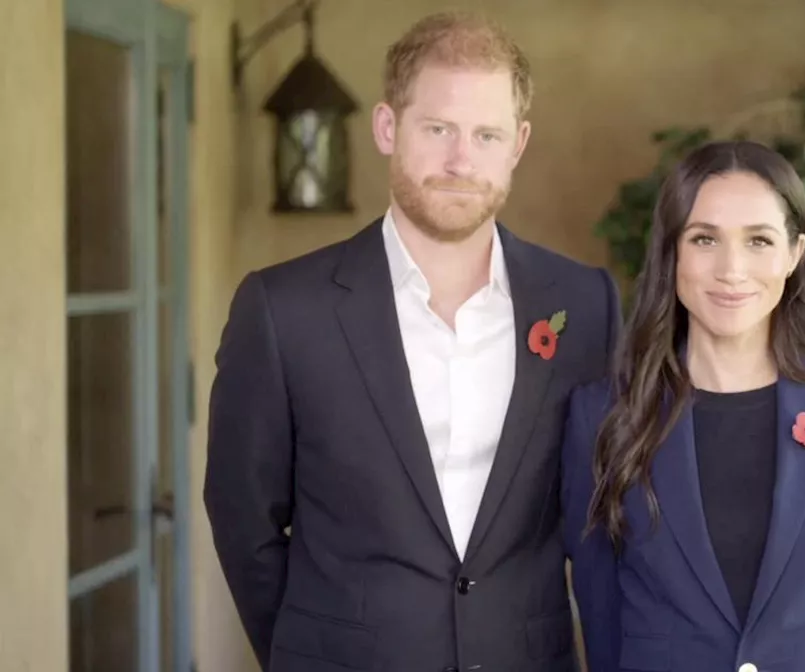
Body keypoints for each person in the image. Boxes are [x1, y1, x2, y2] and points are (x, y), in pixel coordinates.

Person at [204, 11, 620, 672]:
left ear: (518, 143)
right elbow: (243, 518)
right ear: (387, 128)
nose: (462, 160)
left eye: (486, 134)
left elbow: (603, 515)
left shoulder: (585, 305)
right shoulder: (282, 311)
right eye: (438, 129)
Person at [561, 140, 805, 672]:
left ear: (795, 253)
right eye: (705, 238)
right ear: (673, 251)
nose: (731, 270)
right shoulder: (603, 417)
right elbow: (602, 623)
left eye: (759, 240)